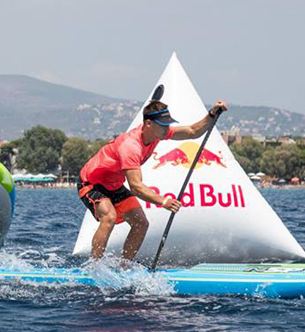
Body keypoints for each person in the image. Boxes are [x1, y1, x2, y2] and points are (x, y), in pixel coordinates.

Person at [78, 99, 227, 260]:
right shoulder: (130, 146)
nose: (166, 128)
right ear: (148, 124)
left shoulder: (158, 134)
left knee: (141, 224)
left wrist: (211, 114)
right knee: (109, 217)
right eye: (162, 124)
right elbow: (136, 187)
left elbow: (192, 131)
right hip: (92, 184)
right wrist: (163, 202)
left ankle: (124, 268)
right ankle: (95, 266)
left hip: (114, 185)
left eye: (167, 124)